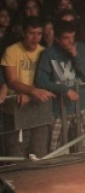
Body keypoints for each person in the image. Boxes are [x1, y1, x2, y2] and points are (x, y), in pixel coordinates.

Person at [35, 19, 85, 153]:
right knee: (56, 150)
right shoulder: (48, 54)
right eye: (66, 38)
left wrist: (76, 56)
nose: (70, 41)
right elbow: (40, 81)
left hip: (80, 106)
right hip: (57, 109)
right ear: (57, 38)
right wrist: (64, 90)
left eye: (72, 37)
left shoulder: (80, 48)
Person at [1, 17, 55, 158]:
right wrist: (32, 91)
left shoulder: (44, 52)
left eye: (39, 34)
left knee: (40, 153)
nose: (35, 38)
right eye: (31, 33)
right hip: (16, 109)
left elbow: (48, 79)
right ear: (23, 33)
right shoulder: (12, 51)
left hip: (39, 108)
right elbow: (12, 81)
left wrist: (30, 94)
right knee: (17, 153)